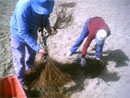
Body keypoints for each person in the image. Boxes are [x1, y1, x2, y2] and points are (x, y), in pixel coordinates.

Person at [10, 0, 56, 86]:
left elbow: (44, 17)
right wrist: (38, 48)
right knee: (19, 58)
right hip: (18, 33)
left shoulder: (47, 3)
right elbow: (23, 32)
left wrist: (48, 27)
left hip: (32, 30)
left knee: (32, 54)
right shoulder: (23, 7)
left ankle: (29, 69)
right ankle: (21, 82)